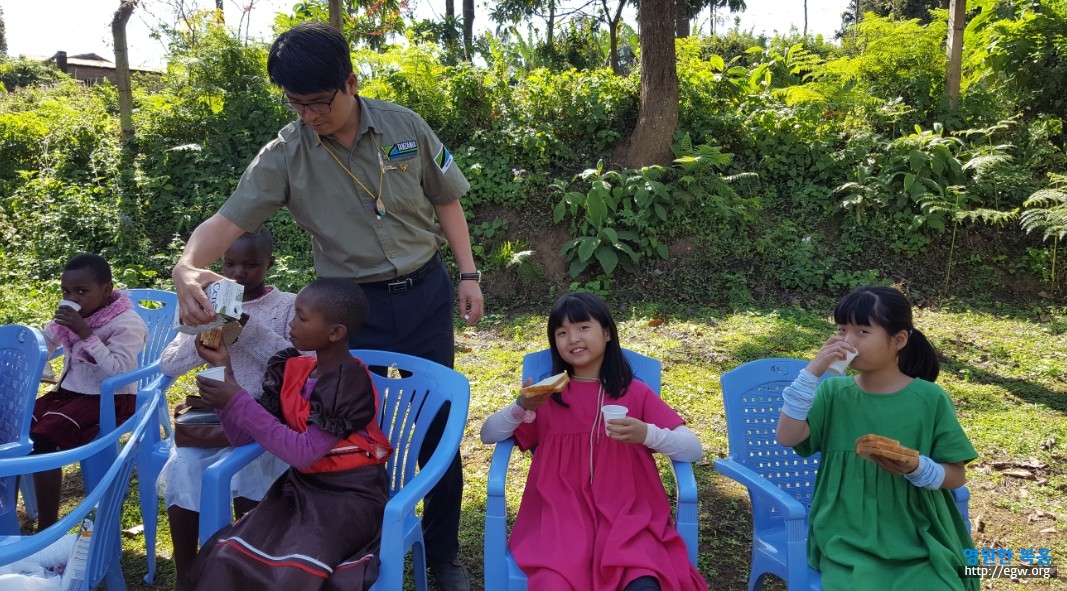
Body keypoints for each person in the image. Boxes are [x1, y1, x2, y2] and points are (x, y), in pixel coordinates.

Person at [170, 21, 481, 589]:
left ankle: (442, 557)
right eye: (297, 105)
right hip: (348, 311)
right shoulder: (285, 156)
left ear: (351, 82)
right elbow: (225, 222)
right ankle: (353, 542)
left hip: (425, 292)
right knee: (343, 428)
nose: (310, 116)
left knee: (436, 428)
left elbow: (448, 199)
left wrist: (467, 273)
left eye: (320, 103)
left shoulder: (402, 125)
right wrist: (186, 267)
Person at [480, 293, 708, 591]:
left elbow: (692, 448)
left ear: (607, 332)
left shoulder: (634, 393)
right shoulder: (547, 397)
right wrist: (521, 406)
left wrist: (647, 434)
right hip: (560, 518)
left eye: (583, 327)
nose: (573, 338)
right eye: (561, 332)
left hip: (628, 516)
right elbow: (488, 434)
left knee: (643, 581)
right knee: (553, 582)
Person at [188, 278, 392, 590]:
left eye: (302, 317)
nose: (292, 324)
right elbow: (241, 437)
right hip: (300, 491)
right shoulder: (292, 369)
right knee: (226, 556)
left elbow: (303, 452)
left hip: (350, 498)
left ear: (335, 332)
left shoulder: (348, 380)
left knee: (294, 572)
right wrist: (223, 373)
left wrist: (236, 400)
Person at [775, 286, 978, 591]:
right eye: (843, 329)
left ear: (899, 340)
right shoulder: (833, 393)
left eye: (862, 331)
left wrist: (918, 468)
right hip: (847, 532)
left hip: (917, 531)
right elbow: (787, 436)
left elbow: (956, 475)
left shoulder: (930, 399)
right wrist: (812, 373)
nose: (848, 341)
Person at [156, 229, 295, 590]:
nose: (237, 274)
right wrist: (203, 324)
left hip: (267, 417)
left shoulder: (289, 305)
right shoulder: (206, 301)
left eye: (250, 265)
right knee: (183, 467)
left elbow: (295, 365)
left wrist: (242, 328)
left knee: (250, 472)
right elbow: (169, 366)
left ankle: (245, 565)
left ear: (270, 264)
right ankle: (187, 573)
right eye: (229, 264)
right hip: (218, 415)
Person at [31, 253, 148, 529]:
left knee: (43, 439)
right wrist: (35, 353)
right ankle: (7, 514)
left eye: (82, 291)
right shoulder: (79, 315)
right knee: (18, 427)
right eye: (67, 291)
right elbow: (47, 343)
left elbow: (118, 371)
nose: (73, 297)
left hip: (110, 399)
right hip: (71, 393)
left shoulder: (127, 323)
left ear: (107, 290)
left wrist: (85, 333)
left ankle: (46, 527)